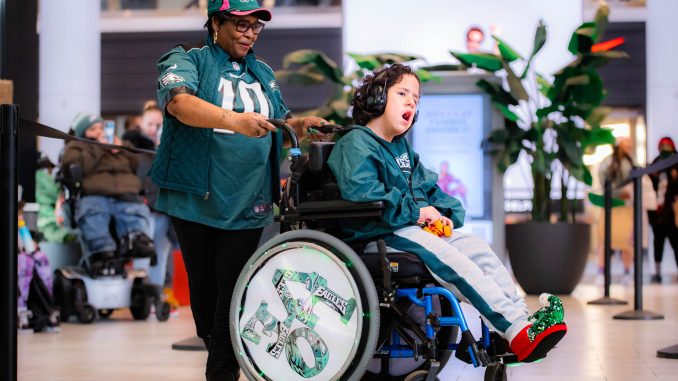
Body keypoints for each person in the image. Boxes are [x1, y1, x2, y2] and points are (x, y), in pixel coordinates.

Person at [327, 63, 567, 364]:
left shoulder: (402, 150)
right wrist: (417, 212)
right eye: (403, 93)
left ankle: (516, 328)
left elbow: (436, 193)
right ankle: (515, 328)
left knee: (478, 250)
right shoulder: (355, 143)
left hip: (409, 229)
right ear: (377, 98)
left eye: (416, 99)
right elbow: (363, 192)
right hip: (380, 233)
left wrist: (442, 214)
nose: (411, 102)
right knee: (451, 259)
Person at [148, 1, 327, 380]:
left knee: (234, 291)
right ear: (216, 22)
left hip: (250, 201)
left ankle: (223, 371)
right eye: (241, 25)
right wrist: (234, 121)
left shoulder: (262, 71)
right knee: (206, 298)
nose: (250, 33)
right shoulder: (188, 59)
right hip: (197, 197)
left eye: (256, 26)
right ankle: (221, 356)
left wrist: (300, 124)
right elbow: (179, 103)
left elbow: (272, 121)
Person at [61, 113, 155, 275]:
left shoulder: (117, 143)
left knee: (134, 213)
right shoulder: (77, 146)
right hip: (94, 195)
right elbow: (75, 168)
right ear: (84, 132)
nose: (99, 131)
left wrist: (122, 148)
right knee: (93, 214)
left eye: (101, 127)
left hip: (126, 195)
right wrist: (98, 148)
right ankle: (101, 250)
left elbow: (137, 164)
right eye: (93, 129)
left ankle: (136, 240)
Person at [123, 100, 179, 308]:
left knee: (160, 255)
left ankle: (156, 298)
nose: (154, 130)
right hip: (140, 209)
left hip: (163, 210)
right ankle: (140, 299)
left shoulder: (169, 149)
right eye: (150, 125)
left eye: (158, 125)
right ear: (141, 124)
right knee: (142, 253)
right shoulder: (131, 149)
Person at [648, 137, 678, 283]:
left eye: (667, 145)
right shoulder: (656, 163)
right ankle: (657, 273)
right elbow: (649, 183)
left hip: (672, 212)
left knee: (676, 243)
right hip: (657, 212)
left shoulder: (676, 163)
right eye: (663, 146)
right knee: (657, 243)